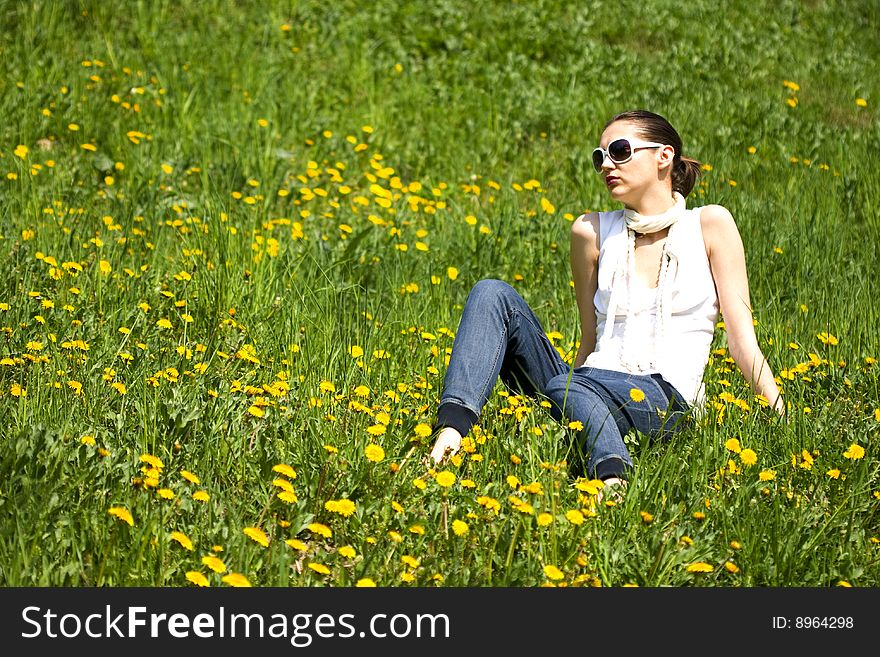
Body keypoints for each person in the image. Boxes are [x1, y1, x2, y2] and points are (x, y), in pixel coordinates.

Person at [428, 109, 785, 497]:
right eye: (600, 157)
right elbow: (590, 337)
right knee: (492, 293)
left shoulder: (710, 224)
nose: (606, 165)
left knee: (573, 386)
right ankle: (449, 434)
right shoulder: (591, 231)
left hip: (663, 395)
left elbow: (741, 340)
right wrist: (567, 388)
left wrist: (780, 415)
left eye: (619, 151)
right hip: (587, 380)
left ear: (664, 156)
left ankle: (612, 476)